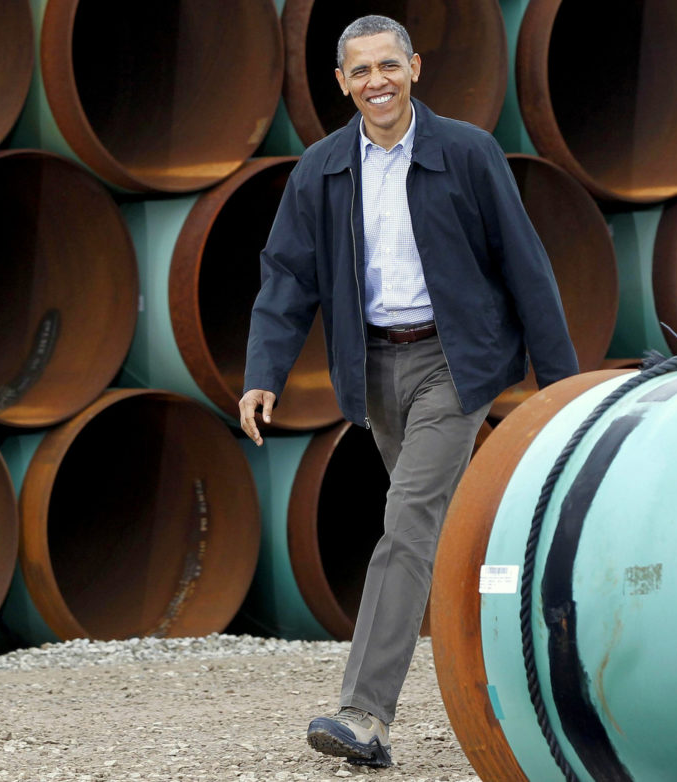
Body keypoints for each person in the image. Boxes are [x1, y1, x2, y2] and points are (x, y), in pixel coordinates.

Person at [239, 14, 578, 769]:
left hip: (454, 364)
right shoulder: (322, 170)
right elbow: (288, 276)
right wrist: (263, 373)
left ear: (415, 67)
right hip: (373, 371)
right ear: (340, 83)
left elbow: (526, 266)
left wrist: (561, 393)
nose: (376, 82)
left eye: (388, 66)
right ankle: (554, 644)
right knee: (459, 534)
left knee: (408, 524)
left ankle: (364, 712)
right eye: (360, 72)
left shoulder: (466, 153)